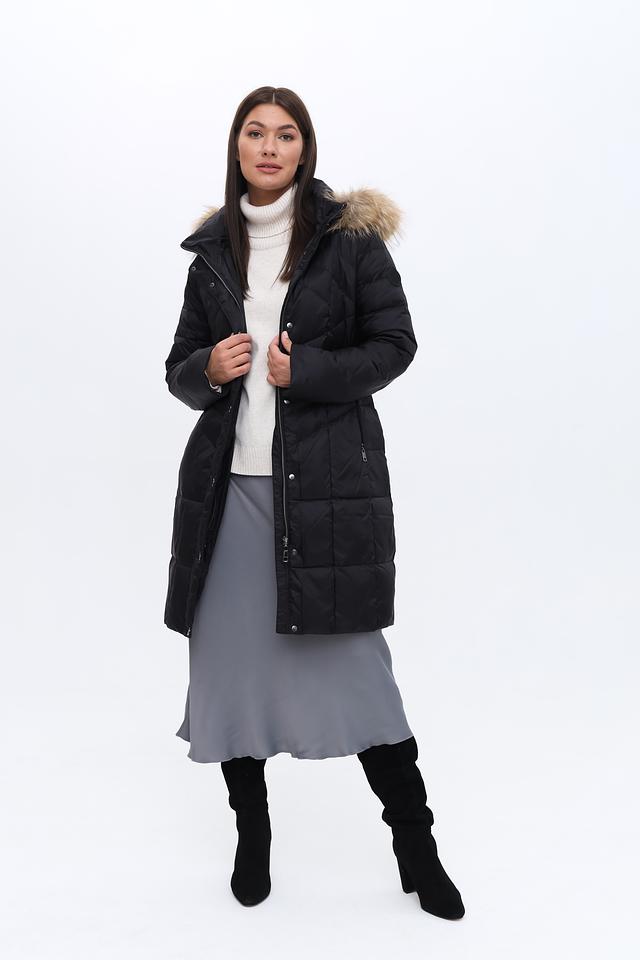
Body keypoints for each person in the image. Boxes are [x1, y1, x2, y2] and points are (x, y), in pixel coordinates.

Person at [163, 86, 465, 920]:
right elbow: (179, 367)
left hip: (324, 493)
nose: (269, 147)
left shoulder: (348, 241)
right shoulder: (211, 254)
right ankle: (253, 836)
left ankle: (416, 845)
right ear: (236, 147)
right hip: (228, 497)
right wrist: (207, 370)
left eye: (285, 134)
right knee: (231, 679)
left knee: (362, 678)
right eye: (255, 133)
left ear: (306, 148)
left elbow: (395, 344)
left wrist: (312, 373)